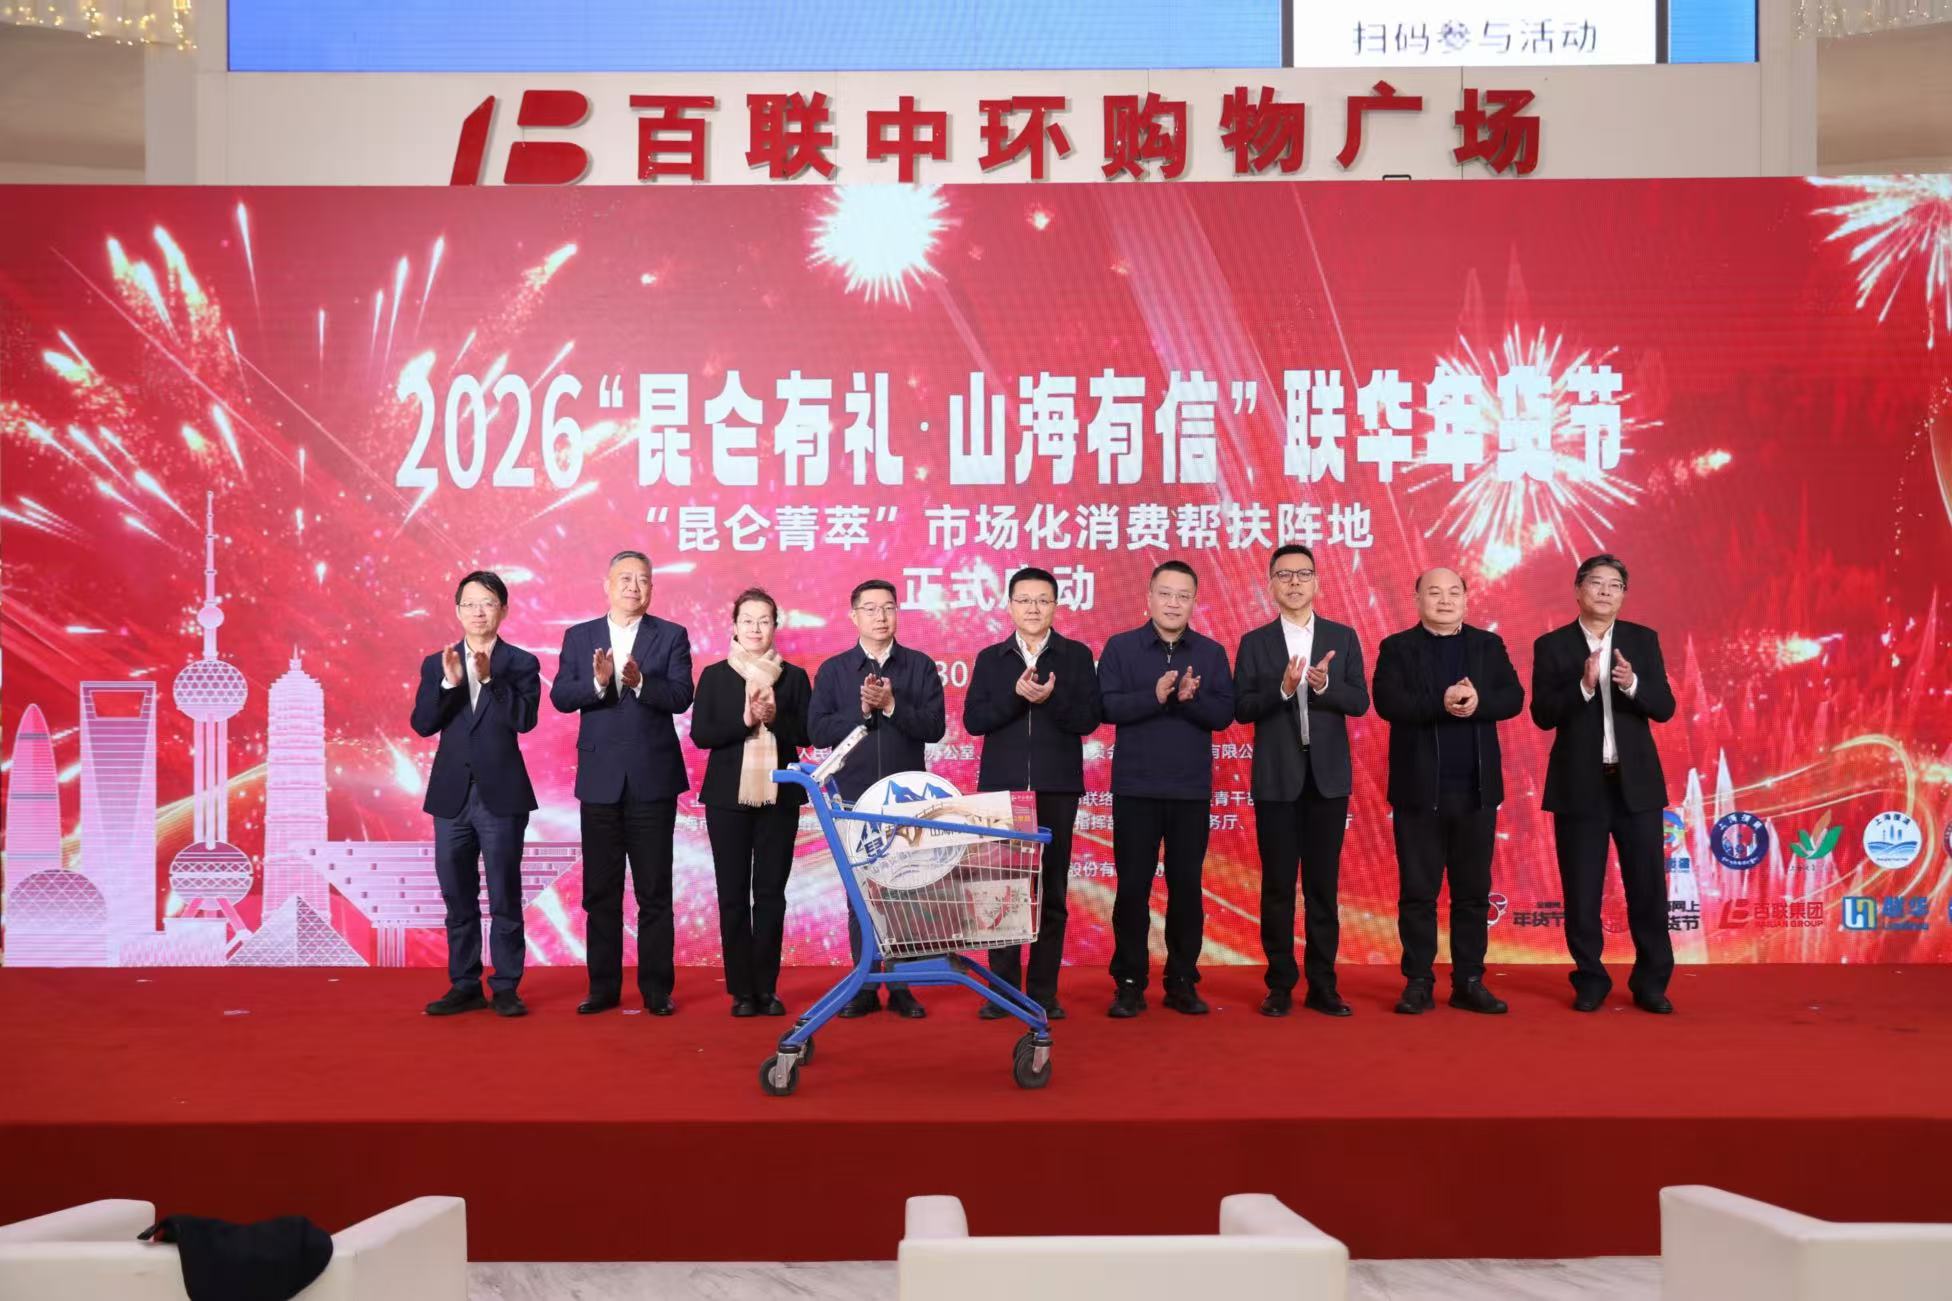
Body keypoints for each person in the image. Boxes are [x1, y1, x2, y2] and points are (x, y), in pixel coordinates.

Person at [1372, 567, 1525, 1016]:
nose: (1444, 600)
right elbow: (1387, 703)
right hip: (1419, 792)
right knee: (1418, 892)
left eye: (1453, 592)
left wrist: (1480, 703)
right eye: (1434, 592)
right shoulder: (1397, 647)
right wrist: (1439, 703)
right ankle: (1418, 981)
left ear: (1466, 598)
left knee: (1473, 893)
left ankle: (1469, 981)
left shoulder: (1487, 645)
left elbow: (1514, 698)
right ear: (1416, 599)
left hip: (1476, 792)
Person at [548, 550, 694, 1017]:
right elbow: (560, 696)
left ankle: (656, 990)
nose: (634, 586)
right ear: (607, 585)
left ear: (652, 588)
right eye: (625, 578)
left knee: (654, 891)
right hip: (600, 780)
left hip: (653, 779)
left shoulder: (671, 635)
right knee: (600, 892)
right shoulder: (579, 636)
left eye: (643, 579)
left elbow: (681, 694)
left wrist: (640, 682)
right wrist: (598, 683)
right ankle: (603, 988)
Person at [1531, 553, 1678, 1014]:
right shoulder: (1552, 645)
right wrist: (1584, 687)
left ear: (1623, 595)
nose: (1605, 592)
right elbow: (1542, 715)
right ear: (1578, 590)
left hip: (1636, 787)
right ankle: (1590, 979)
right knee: (1582, 890)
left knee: (1648, 888)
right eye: (1596, 583)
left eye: (1615, 585)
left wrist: (1632, 684)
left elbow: (1665, 707)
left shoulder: (1642, 640)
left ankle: (1651, 982)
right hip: (1580, 787)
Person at [1233, 544, 1369, 1018]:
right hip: (1277, 779)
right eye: (1284, 574)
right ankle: (1279, 985)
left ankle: (1323, 985)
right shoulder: (1255, 642)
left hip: (1327, 780)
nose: (1294, 582)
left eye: (1303, 574)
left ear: (1317, 582)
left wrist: (1324, 686)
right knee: (1277, 886)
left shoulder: (1342, 637)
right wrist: (1283, 690)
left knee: (1322, 888)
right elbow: (1241, 708)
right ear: (1270, 584)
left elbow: (1360, 702)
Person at [963, 566, 1101, 1021]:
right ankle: (1002, 991)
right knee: (1000, 892)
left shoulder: (1076, 656)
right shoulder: (991, 658)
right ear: (1009, 606)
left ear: (1056, 606)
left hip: (1056, 787)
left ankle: (1043, 993)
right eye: (1024, 600)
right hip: (1001, 792)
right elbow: (974, 721)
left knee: (1051, 892)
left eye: (1042, 600)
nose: (1033, 608)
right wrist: (1016, 697)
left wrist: (1049, 700)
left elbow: (1089, 719)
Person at [1098, 559, 1235, 1017]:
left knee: (1186, 888)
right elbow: (1106, 707)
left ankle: (1181, 981)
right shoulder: (1121, 648)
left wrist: (1189, 701)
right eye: (1165, 594)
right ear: (1149, 598)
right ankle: (1129, 983)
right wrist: (1155, 697)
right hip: (1135, 788)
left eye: (1183, 596)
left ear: (1194, 602)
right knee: (1132, 888)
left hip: (1189, 790)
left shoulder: (1211, 653)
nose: (1173, 603)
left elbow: (1224, 715)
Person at [808, 578, 947, 1019]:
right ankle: (864, 986)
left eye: (887, 607)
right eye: (870, 609)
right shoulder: (834, 670)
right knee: (861, 895)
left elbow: (934, 727)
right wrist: (862, 711)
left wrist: (891, 707)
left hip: (908, 799)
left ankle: (902, 988)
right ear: (854, 616)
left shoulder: (919, 666)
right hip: (854, 799)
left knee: (905, 892)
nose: (880, 616)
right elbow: (817, 731)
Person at [410, 571, 541, 1017]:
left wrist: (488, 681)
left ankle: (505, 986)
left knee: (504, 893)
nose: (478, 611)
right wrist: (450, 684)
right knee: (456, 895)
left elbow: (524, 720)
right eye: (469, 603)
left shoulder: (521, 663)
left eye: (487, 603)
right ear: (457, 611)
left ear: (503, 609)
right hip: (451, 797)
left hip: (501, 795)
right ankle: (464, 983)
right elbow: (422, 724)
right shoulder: (437, 663)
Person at [690, 588, 812, 1018]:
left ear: (775, 626)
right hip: (727, 799)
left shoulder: (794, 677)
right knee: (732, 895)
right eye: (748, 620)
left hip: (780, 798)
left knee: (771, 895)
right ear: (734, 625)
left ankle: (767, 988)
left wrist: (775, 719)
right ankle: (742, 991)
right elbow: (701, 735)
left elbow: (808, 733)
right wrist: (745, 720)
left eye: (764, 620)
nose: (755, 628)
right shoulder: (715, 675)